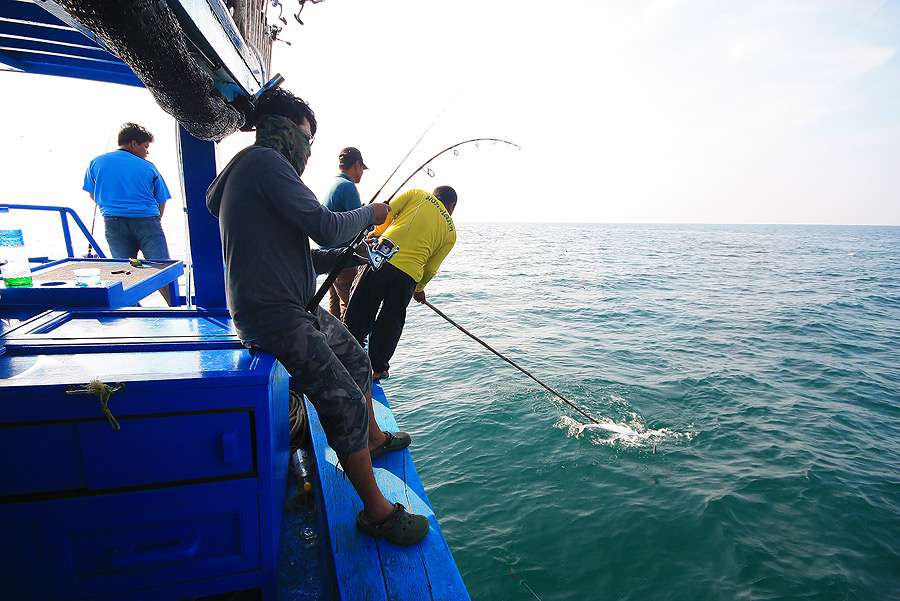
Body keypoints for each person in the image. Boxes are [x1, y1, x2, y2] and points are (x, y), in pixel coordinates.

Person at [205, 88, 429, 546]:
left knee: (360, 362)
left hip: (296, 308)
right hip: (274, 317)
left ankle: (371, 438)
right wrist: (372, 214)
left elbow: (302, 251)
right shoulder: (266, 163)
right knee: (343, 398)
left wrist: (353, 256)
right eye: (306, 137)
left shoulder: (255, 174)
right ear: (284, 129)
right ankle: (377, 512)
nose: (308, 149)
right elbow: (327, 224)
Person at [344, 186, 457, 381]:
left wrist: (377, 233)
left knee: (359, 310)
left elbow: (385, 212)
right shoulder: (451, 232)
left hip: (382, 258)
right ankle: (377, 369)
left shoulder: (417, 194)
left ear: (434, 194)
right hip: (408, 278)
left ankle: (345, 357)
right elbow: (430, 269)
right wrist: (419, 290)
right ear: (452, 206)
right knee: (391, 321)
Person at [83, 122, 174, 305]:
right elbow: (161, 199)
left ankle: (132, 310)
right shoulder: (148, 167)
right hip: (147, 221)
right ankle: (174, 307)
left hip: (113, 222)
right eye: (146, 147)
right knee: (161, 267)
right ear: (134, 144)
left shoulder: (96, 162)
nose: (147, 152)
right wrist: (156, 219)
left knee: (124, 269)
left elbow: (93, 194)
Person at [322, 147, 368, 319]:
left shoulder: (334, 184)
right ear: (357, 165)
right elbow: (359, 224)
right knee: (352, 305)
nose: (362, 173)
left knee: (335, 305)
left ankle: (332, 341)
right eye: (363, 168)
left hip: (327, 255)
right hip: (342, 258)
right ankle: (351, 343)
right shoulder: (348, 187)